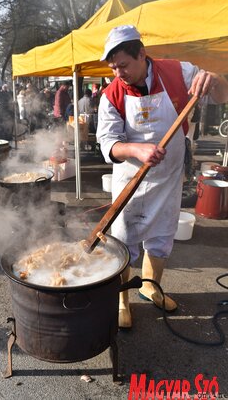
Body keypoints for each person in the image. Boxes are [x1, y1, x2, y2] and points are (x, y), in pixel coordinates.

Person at [96, 25, 228, 328]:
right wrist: (137, 150)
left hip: (169, 175)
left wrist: (216, 80)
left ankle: (150, 286)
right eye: (113, 67)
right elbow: (108, 144)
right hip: (132, 175)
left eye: (124, 65)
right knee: (124, 238)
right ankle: (121, 300)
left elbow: (221, 96)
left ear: (142, 53)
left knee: (162, 233)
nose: (119, 73)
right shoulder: (111, 94)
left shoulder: (179, 73)